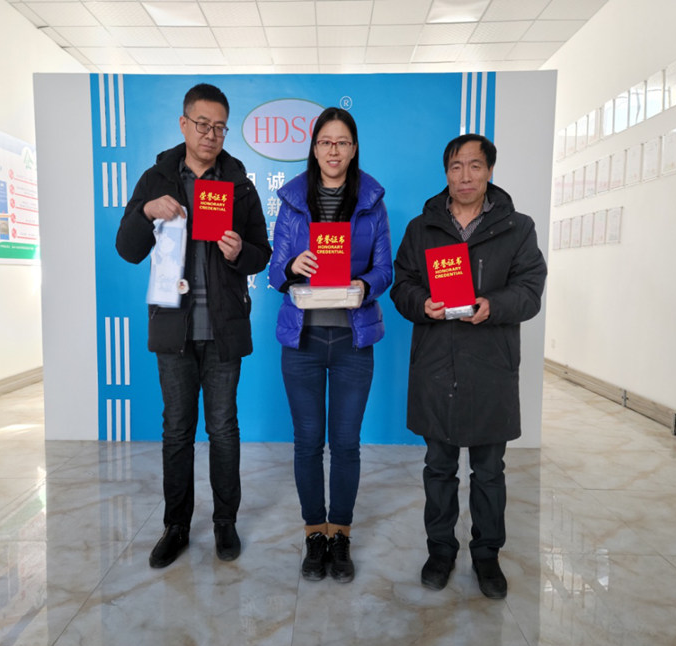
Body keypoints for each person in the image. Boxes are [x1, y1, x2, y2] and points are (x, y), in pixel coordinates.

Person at [116, 83, 271, 568]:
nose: (210, 135)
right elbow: (127, 248)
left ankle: (225, 522)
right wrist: (146, 211)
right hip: (173, 330)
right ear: (184, 124)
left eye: (220, 127)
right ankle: (176, 526)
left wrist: (239, 252)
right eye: (202, 124)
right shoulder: (157, 178)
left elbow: (262, 253)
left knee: (223, 429)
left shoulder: (239, 182)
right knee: (177, 430)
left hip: (223, 328)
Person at [390, 134, 546, 598]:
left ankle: (487, 556)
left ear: (490, 171)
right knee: (438, 467)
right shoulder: (422, 227)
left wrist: (492, 305)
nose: (465, 176)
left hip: (490, 366)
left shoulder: (517, 227)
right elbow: (402, 284)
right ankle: (440, 551)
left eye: (475, 166)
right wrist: (422, 304)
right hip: (437, 363)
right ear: (446, 172)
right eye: (456, 166)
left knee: (489, 471)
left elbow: (530, 290)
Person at [268, 107, 392, 583]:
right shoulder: (293, 201)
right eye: (325, 142)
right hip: (301, 340)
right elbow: (275, 270)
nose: (334, 150)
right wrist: (292, 267)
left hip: (352, 340)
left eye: (342, 142)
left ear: (354, 148)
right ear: (314, 148)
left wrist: (364, 285)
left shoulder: (372, 201)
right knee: (306, 443)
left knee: (345, 444)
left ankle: (340, 534)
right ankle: (314, 534)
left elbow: (385, 269)